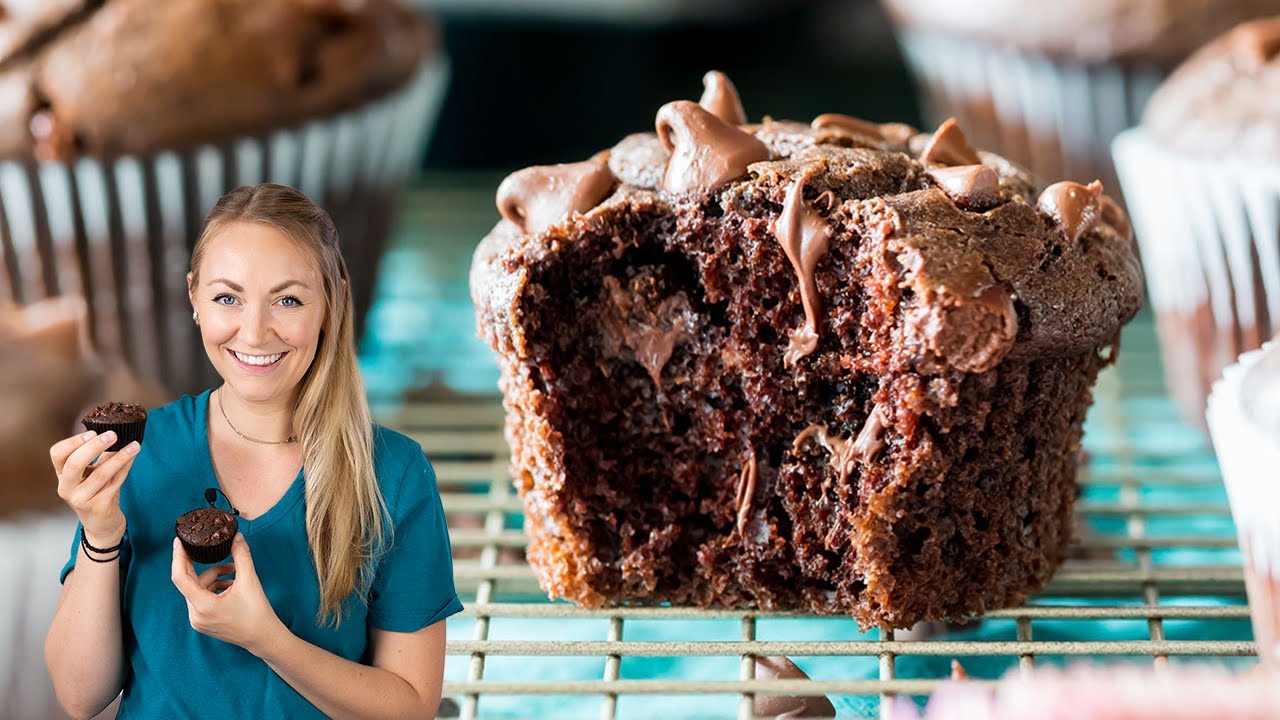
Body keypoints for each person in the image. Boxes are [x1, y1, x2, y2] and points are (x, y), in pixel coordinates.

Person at [44, 183, 461, 719]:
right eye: (227, 298)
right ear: (194, 298)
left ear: (331, 302)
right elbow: (80, 696)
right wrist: (99, 536)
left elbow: (410, 707)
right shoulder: (140, 455)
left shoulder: (395, 475)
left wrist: (267, 638)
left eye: (287, 300)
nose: (255, 331)